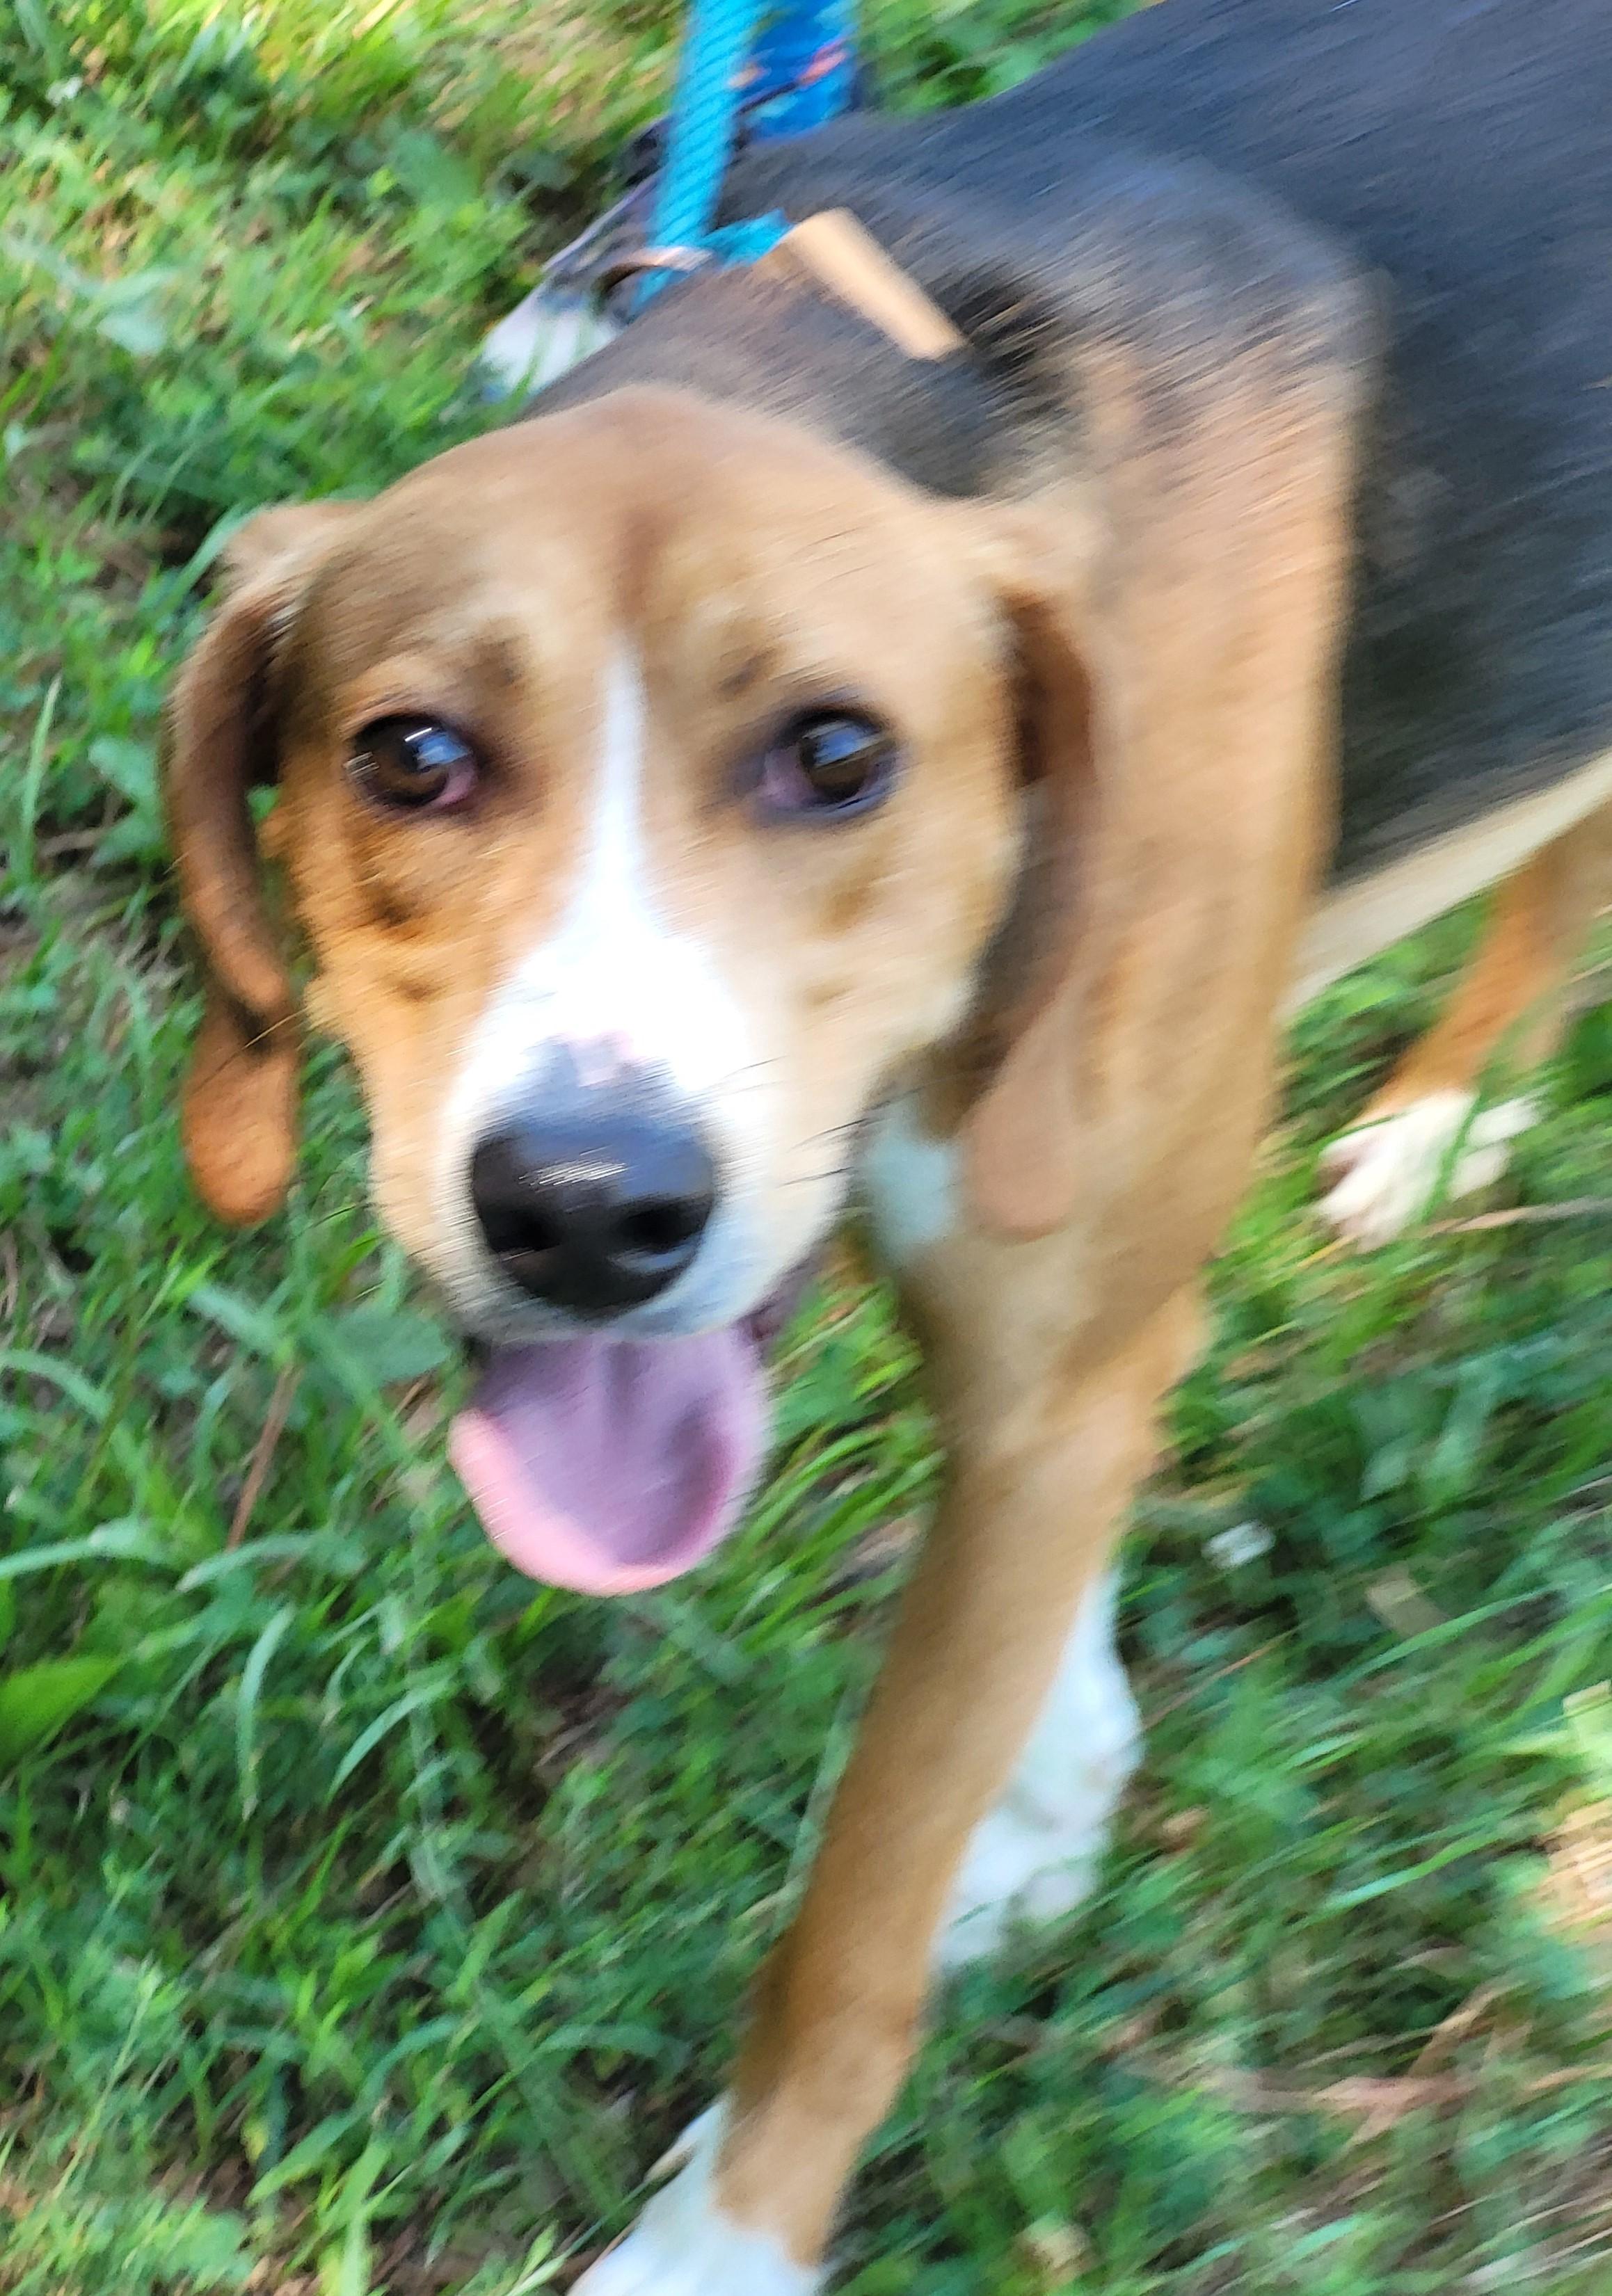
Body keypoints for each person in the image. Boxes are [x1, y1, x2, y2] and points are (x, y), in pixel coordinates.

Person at [477, 0, 861, 398]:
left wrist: (659, 279)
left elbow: (699, 140)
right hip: (819, 157)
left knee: (504, 379)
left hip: (751, 171)